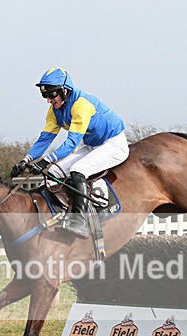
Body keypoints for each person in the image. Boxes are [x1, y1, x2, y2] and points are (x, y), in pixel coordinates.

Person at [10, 67, 129, 238]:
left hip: (113, 143)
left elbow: (71, 143)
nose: (49, 100)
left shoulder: (81, 105)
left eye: (52, 95)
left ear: (65, 91)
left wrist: (45, 161)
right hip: (92, 145)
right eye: (45, 95)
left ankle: (80, 221)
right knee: (54, 172)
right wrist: (25, 160)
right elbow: (45, 139)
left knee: (78, 171)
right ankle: (62, 213)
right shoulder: (55, 110)